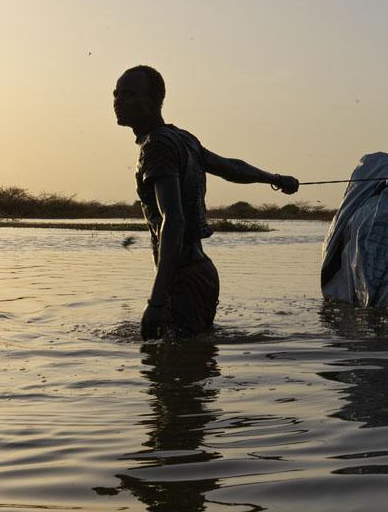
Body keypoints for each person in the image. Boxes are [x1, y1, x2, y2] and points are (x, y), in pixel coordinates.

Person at [113, 65, 299, 340]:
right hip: (202, 273)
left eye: (129, 94)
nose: (118, 101)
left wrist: (156, 301)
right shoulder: (182, 139)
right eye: (116, 94)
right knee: (195, 362)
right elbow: (231, 167)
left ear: (154, 99)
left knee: (172, 372)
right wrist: (276, 178)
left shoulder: (157, 146)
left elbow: (173, 220)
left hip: (182, 279)